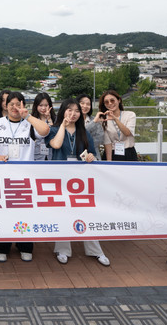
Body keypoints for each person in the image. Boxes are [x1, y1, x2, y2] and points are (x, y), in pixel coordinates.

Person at [0, 91, 50, 262]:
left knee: (25, 213)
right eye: (11, 104)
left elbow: (45, 130)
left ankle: (24, 246)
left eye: (18, 104)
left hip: (24, 178)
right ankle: (1, 247)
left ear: (23, 105)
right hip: (2, 178)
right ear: (5, 106)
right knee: (2, 213)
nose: (14, 107)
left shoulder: (29, 124)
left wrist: (27, 116)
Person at [45, 98, 110, 267]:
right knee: (63, 211)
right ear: (63, 111)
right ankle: (62, 249)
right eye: (69, 110)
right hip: (60, 177)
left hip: (80, 179)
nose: (73, 114)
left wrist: (91, 157)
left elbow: (92, 153)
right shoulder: (53, 129)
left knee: (86, 211)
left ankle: (95, 250)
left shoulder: (84, 132)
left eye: (76, 111)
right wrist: (62, 125)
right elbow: (56, 145)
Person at [98, 90, 138, 161]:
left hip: (128, 152)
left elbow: (127, 133)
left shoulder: (130, 115)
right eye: (106, 102)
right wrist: (109, 161)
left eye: (112, 100)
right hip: (112, 153)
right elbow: (107, 142)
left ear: (119, 100)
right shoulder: (103, 119)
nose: (110, 103)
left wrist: (115, 119)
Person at [77, 94, 105, 158]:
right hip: (76, 156)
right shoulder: (72, 120)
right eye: (82, 103)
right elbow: (77, 136)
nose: (85, 106)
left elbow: (100, 139)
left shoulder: (95, 119)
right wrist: (93, 122)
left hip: (93, 155)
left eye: (88, 104)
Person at [31, 93, 55, 161]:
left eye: (46, 105)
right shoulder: (32, 119)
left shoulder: (54, 119)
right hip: (35, 155)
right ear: (36, 105)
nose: (43, 108)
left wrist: (49, 119)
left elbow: (54, 134)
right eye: (40, 105)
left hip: (51, 155)